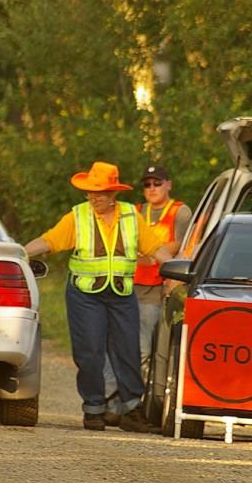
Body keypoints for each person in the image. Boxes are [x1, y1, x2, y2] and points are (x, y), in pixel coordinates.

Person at [24, 161, 175, 433]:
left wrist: (180, 270)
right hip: (85, 295)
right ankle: (94, 410)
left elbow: (156, 250)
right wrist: (21, 253)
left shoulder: (131, 216)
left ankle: (131, 410)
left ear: (113, 194)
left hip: (121, 294)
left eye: (100, 193)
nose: (93, 198)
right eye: (90, 193)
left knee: (128, 351)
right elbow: (50, 241)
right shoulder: (78, 215)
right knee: (90, 352)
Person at [102, 164, 191, 425]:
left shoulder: (180, 212)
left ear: (168, 185)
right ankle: (112, 404)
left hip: (155, 290)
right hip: (127, 286)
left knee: (141, 350)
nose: (152, 189)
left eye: (157, 183)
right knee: (116, 345)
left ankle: (133, 405)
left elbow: (180, 246)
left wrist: (152, 253)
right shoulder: (137, 211)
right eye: (147, 184)